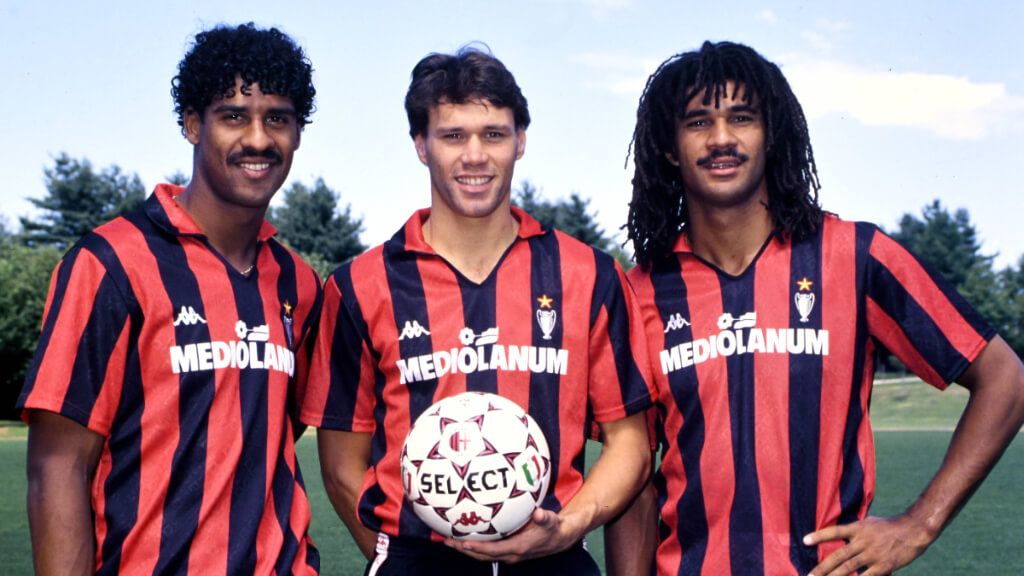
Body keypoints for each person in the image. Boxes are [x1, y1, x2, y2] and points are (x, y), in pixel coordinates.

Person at [615, 40, 1024, 576]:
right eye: (697, 122)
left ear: (771, 134)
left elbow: (1006, 379)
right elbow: (635, 478)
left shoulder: (854, 256)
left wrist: (919, 525)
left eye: (742, 117)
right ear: (670, 148)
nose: (721, 139)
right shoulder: (641, 293)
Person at [300, 46, 656, 576]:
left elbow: (630, 443)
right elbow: (340, 464)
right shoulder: (360, 286)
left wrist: (568, 525)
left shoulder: (589, 275)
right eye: (452, 135)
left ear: (520, 141)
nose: (474, 155)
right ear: (421, 145)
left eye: (493, 134)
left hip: (555, 560)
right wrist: (398, 556)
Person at [19, 23, 322, 574]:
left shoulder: (298, 284)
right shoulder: (110, 264)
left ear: (297, 133)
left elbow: (273, 430)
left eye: (277, 118)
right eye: (234, 116)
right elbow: (58, 465)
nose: (259, 139)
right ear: (192, 125)